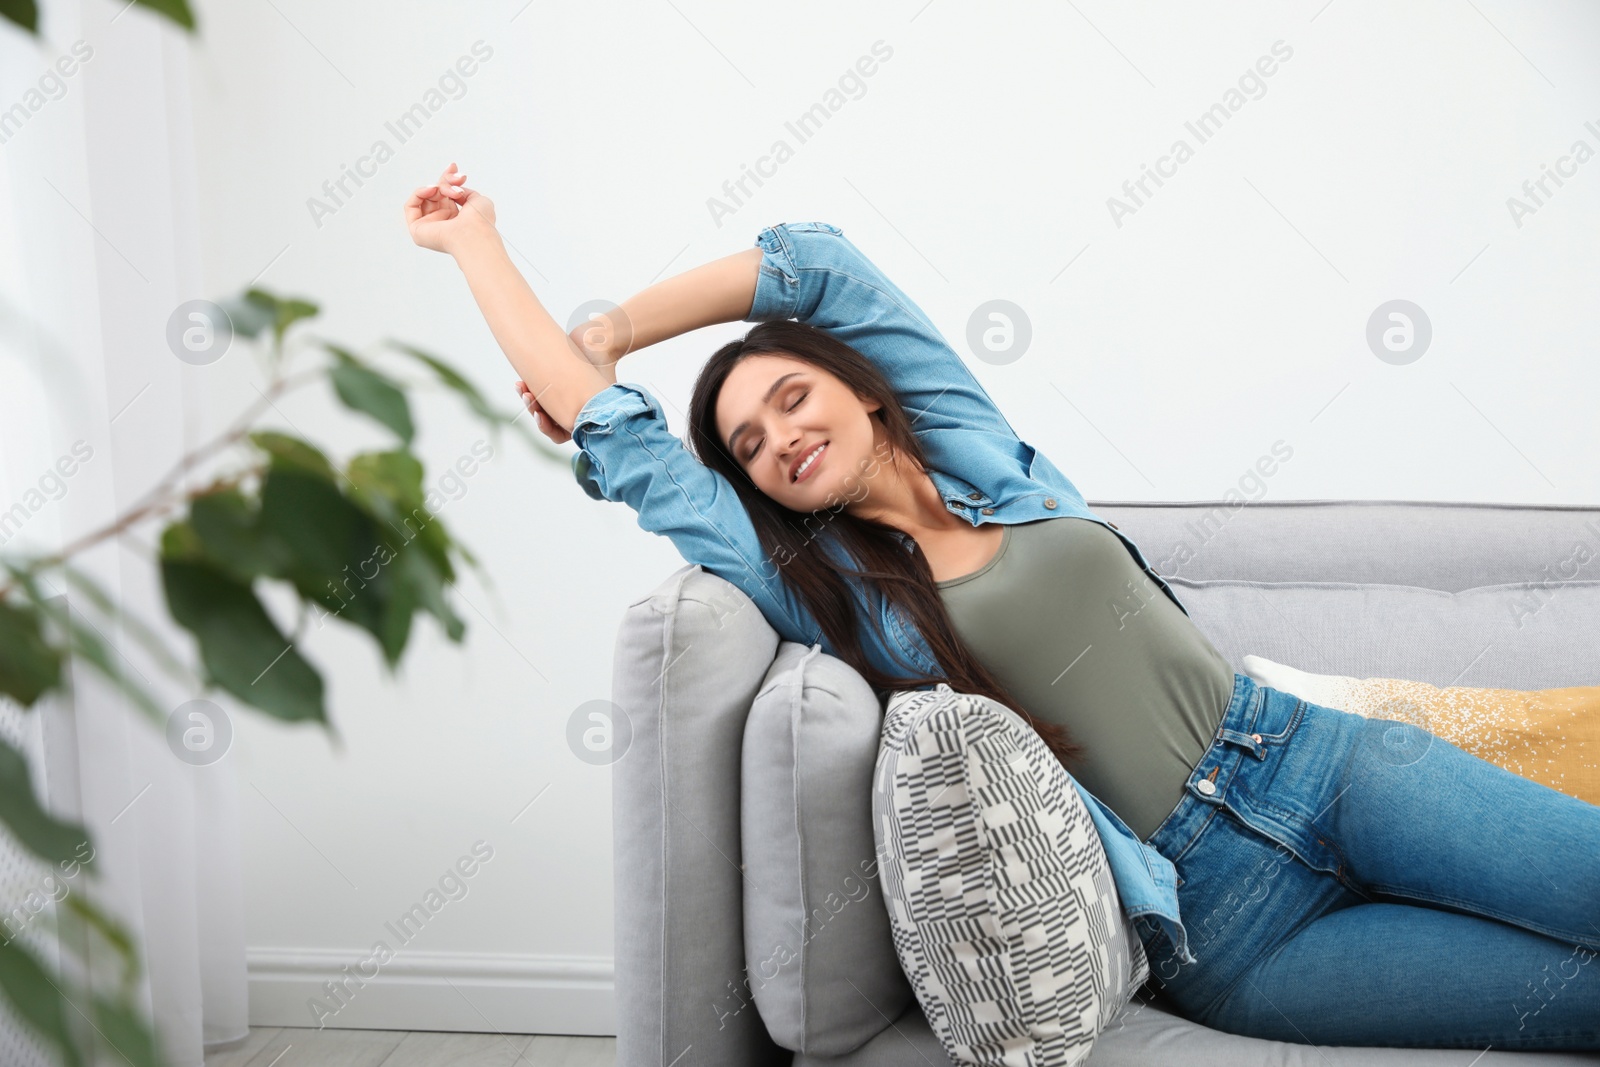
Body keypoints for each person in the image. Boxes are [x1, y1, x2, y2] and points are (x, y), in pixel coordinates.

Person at [404, 163, 1600, 1050]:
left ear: (862, 390)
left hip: (1329, 768)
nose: (778, 439)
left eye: (788, 396)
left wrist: (610, 327)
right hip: (1227, 930)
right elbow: (623, 447)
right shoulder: (834, 598)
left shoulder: (986, 463)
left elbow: (819, 263)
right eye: (749, 445)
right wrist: (477, 251)